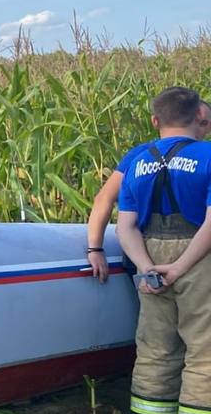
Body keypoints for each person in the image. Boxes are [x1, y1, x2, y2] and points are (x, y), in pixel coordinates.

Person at [115, 86, 211, 414]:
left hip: (149, 257)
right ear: (198, 118)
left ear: (156, 120)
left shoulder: (138, 160)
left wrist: (145, 266)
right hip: (197, 256)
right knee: (204, 351)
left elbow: (125, 226)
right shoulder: (208, 155)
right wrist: (182, 265)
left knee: (155, 350)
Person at [87, 100, 211, 280]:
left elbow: (109, 204)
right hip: (193, 258)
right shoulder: (205, 154)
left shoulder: (141, 156)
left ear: (156, 121)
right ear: (193, 119)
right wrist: (95, 248)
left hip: (146, 259)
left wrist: (95, 248)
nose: (204, 130)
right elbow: (105, 198)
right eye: (203, 123)